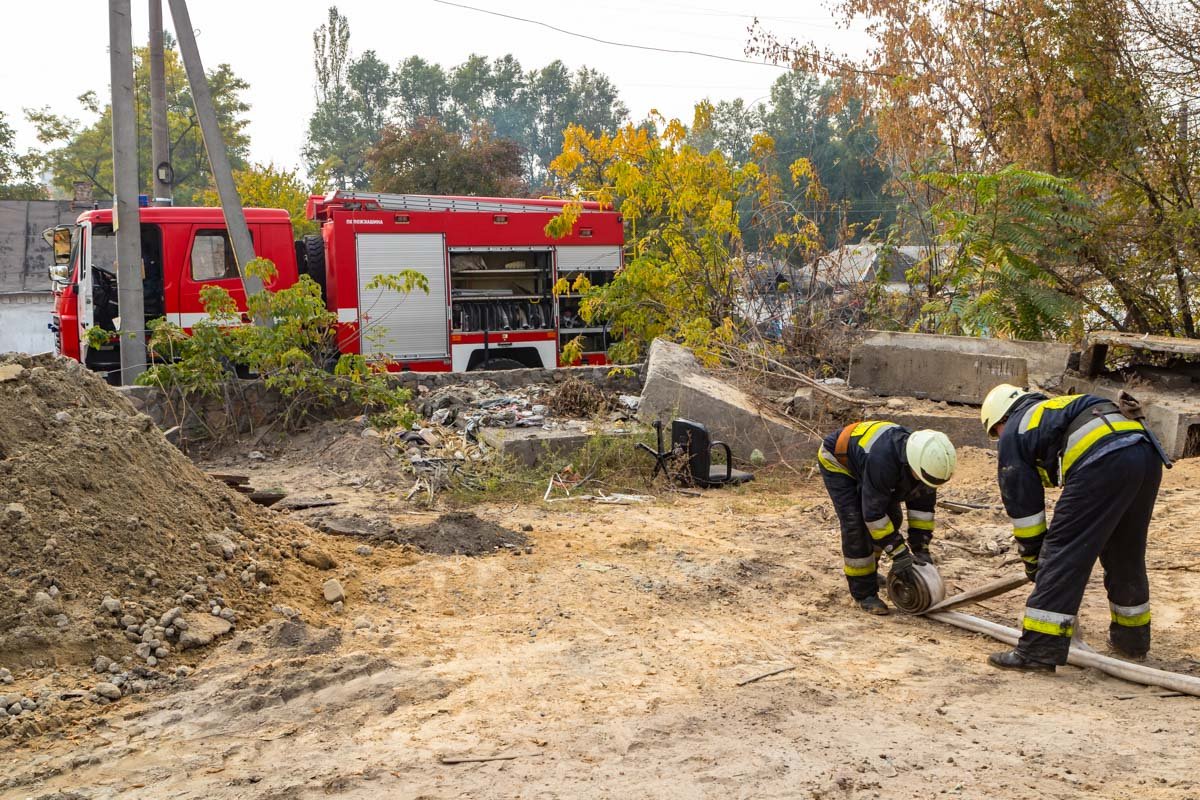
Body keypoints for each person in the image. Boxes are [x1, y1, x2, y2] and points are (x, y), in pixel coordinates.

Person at [980, 384, 1163, 671]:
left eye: (995, 434)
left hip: (1103, 460)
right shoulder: (1053, 409)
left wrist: (1035, 561)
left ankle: (1038, 650)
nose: (999, 440)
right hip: (1146, 452)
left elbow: (1024, 508)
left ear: (1000, 419)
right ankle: (1132, 641)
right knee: (1125, 552)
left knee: (1063, 554)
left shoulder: (1014, 431)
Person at [817, 421, 957, 615]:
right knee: (856, 525)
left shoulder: (926, 466)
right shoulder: (884, 461)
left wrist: (920, 549)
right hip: (838, 461)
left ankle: (871, 572)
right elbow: (873, 515)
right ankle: (864, 593)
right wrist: (900, 555)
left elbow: (922, 512)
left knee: (893, 518)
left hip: (868, 464)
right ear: (911, 464)